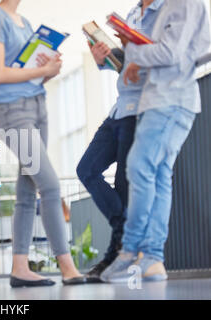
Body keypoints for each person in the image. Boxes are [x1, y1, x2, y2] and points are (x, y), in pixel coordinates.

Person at [101, 0, 211, 283]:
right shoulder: (170, 8)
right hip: (161, 98)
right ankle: (152, 259)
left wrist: (134, 49)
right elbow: (179, 52)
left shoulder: (184, 3)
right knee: (159, 175)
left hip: (171, 100)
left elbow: (172, 52)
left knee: (139, 167)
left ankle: (131, 253)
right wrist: (136, 57)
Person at [0, 0, 86, 287]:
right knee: (50, 186)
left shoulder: (23, 22)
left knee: (28, 190)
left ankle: (19, 268)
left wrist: (50, 68)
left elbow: (29, 71)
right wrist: (37, 72)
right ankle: (67, 267)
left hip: (38, 105)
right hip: (13, 111)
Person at [76, 0, 164, 281]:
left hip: (141, 109)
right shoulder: (132, 13)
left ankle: (120, 252)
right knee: (86, 169)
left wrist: (132, 55)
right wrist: (103, 56)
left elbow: (161, 58)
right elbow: (125, 62)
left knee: (124, 185)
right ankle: (122, 232)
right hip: (119, 108)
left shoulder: (168, 10)